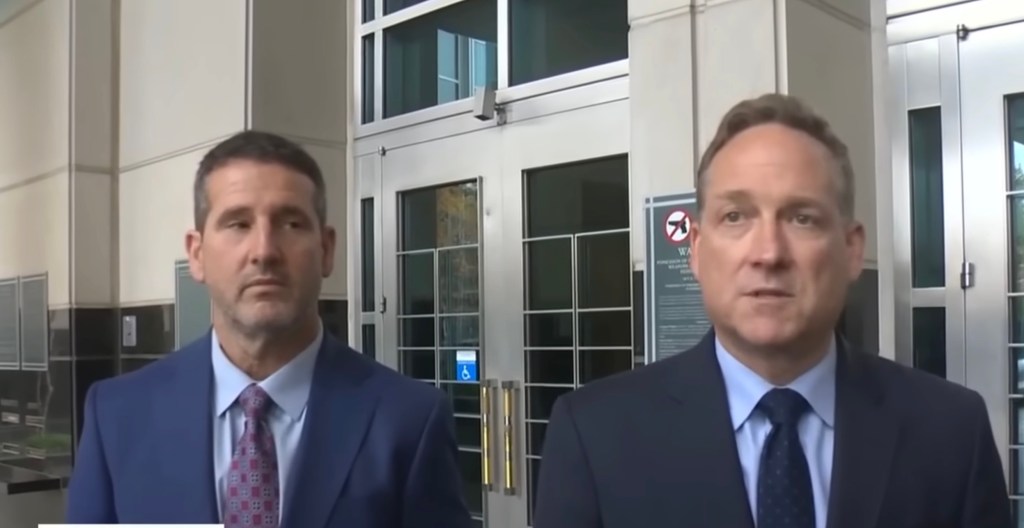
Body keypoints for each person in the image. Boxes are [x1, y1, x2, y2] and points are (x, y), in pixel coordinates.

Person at [532, 94, 1011, 528]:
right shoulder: (594, 435)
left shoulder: (951, 432)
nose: (768, 253)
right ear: (696, 250)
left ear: (850, 250)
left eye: (802, 218)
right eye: (735, 216)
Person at [65, 131, 474, 528]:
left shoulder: (408, 420)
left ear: (327, 250)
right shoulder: (118, 415)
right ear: (197, 253)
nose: (264, 251)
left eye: (291, 223)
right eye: (238, 223)